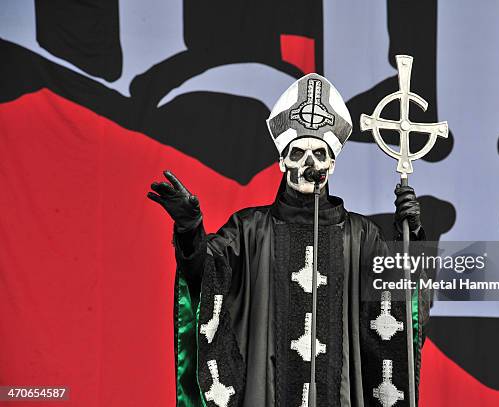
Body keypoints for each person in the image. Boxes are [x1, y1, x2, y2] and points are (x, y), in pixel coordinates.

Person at [148, 73, 429, 407]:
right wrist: (190, 228)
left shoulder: (360, 236)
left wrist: (411, 239)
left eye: (319, 154)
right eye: (298, 153)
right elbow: (204, 279)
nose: (309, 163)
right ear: (282, 160)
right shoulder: (249, 230)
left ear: (332, 164)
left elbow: (400, 310)